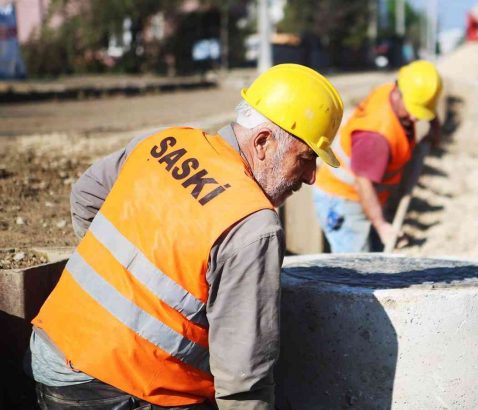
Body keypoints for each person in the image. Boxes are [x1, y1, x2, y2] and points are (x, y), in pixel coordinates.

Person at [26, 64, 344, 410]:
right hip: (115, 390)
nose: (311, 177)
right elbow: (243, 381)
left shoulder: (167, 140)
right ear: (264, 142)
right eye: (307, 158)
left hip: (49, 353)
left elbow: (86, 196)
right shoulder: (253, 225)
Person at [313, 60, 442, 253]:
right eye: (413, 110)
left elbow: (425, 106)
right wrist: (381, 225)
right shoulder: (376, 135)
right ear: (398, 92)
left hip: (363, 196)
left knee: (372, 261)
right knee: (356, 270)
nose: (415, 119)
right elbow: (363, 182)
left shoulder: (392, 90)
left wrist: (434, 125)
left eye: (421, 112)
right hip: (344, 199)